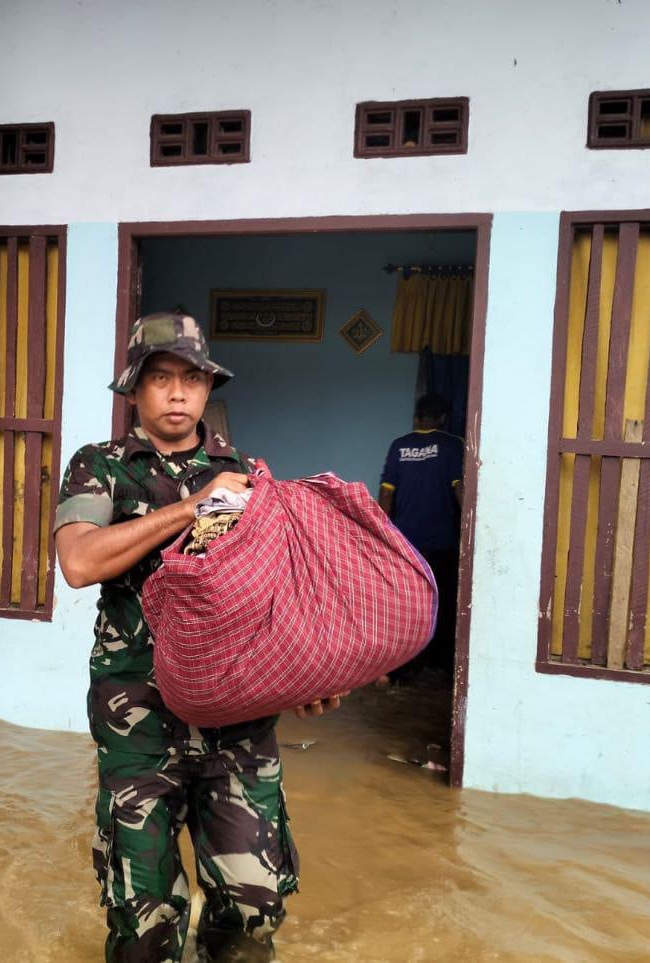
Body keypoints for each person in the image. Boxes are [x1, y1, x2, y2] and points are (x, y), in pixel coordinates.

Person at [54, 311, 342, 963]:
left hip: (238, 727)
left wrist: (315, 678)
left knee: (249, 914)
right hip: (140, 725)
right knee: (145, 924)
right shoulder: (100, 468)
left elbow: (280, 593)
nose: (178, 392)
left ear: (209, 387)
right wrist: (193, 506)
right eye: (161, 378)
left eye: (192, 377)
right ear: (134, 390)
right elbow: (78, 562)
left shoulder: (249, 475)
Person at [378, 393, 464, 675]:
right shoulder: (453, 445)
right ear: (443, 419)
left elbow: (386, 494)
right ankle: (439, 665)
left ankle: (404, 669)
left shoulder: (399, 446)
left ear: (417, 418)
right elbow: (459, 490)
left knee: (409, 604)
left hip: (406, 542)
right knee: (443, 602)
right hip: (443, 541)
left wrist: (381, 531)